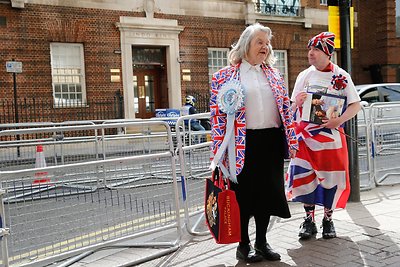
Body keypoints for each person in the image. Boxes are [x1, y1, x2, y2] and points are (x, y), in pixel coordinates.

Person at [209, 23, 298, 263]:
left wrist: (293, 137)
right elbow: (217, 117)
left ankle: (261, 242)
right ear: (246, 44)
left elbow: (284, 110)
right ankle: (243, 245)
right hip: (241, 143)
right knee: (244, 197)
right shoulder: (224, 76)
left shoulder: (275, 75)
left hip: (270, 141)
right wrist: (218, 153)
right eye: (260, 42)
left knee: (268, 195)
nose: (265, 47)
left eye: (267, 43)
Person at [286, 32, 361, 240]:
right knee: (304, 177)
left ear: (327, 53)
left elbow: (356, 105)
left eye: (316, 49)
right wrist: (297, 103)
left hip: (331, 138)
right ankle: (308, 220)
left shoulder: (341, 75)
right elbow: (292, 108)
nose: (310, 53)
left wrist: (339, 120)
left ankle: (328, 220)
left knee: (331, 178)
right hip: (306, 137)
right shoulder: (304, 75)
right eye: (310, 49)